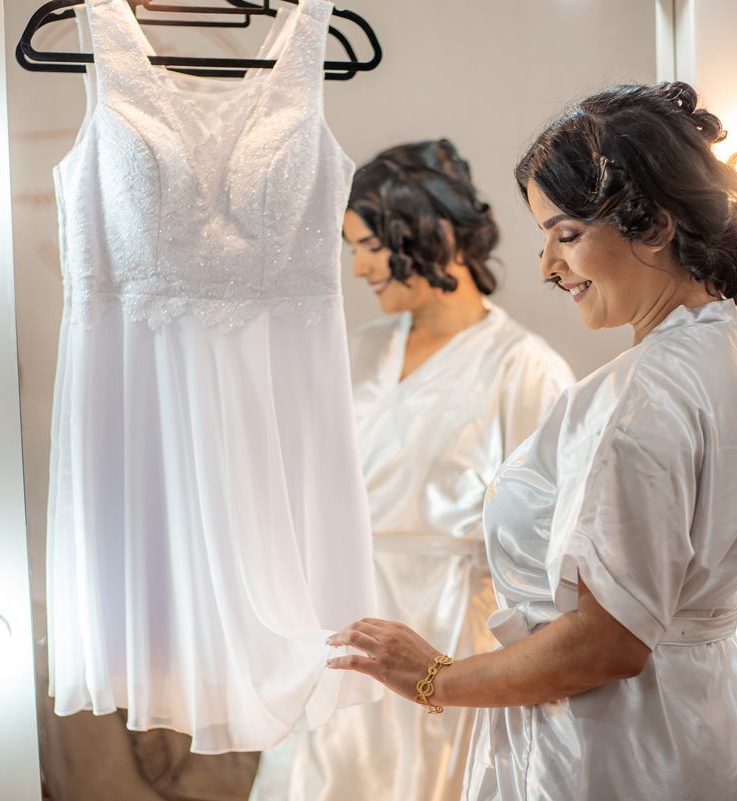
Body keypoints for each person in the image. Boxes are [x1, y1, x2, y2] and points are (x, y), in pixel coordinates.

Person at [325, 83, 737, 801]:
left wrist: (433, 677)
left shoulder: (640, 396)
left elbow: (607, 643)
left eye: (565, 235)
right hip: (702, 716)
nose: (545, 265)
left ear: (655, 225)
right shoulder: (724, 346)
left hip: (621, 745)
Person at [250, 140, 575, 801]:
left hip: (446, 639)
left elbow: (550, 549)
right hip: (342, 629)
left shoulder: (525, 369)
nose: (360, 267)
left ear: (438, 234)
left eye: (371, 244)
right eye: (353, 248)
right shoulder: (359, 351)